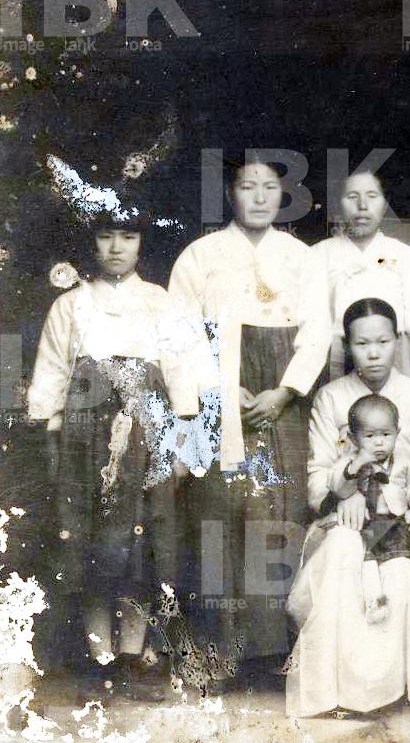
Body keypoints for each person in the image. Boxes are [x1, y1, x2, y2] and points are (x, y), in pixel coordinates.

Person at [28, 210, 204, 701]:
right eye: (105, 237)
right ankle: (99, 660)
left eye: (127, 237)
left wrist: (182, 441)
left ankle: (132, 658)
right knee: (93, 546)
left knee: (139, 551)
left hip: (147, 439)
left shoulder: (161, 302)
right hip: (85, 443)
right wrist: (53, 436)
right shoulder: (71, 305)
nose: (116, 248)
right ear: (92, 243)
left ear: (141, 243)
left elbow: (181, 372)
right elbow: (52, 371)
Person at [168, 157, 331, 673]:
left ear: (283, 196)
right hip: (220, 396)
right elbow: (180, 332)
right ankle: (220, 652)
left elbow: (318, 332)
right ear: (229, 193)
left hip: (282, 397)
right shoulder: (200, 255)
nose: (259, 197)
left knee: (277, 514)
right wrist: (215, 389)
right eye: (247, 186)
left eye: (269, 188)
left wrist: (285, 391)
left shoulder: (301, 257)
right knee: (220, 515)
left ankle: (271, 654)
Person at [285, 298, 410, 717]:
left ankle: (397, 689)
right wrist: (348, 490)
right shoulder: (331, 398)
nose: (373, 353)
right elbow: (316, 477)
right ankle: (335, 692)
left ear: (398, 341)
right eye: (362, 343)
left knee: (403, 573)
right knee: (343, 553)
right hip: (343, 518)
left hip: (402, 523)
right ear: (347, 346)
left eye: (383, 342)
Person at [310, 170, 410, 382]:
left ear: (385, 204)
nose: (362, 205)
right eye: (352, 196)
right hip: (333, 368)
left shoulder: (406, 257)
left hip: (396, 369)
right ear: (338, 204)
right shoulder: (318, 255)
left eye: (372, 196)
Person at [340, 394, 410, 620]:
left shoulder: (402, 462)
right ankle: (374, 601)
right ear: (354, 438)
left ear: (397, 433)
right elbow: (336, 485)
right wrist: (354, 467)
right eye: (370, 436)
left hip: (396, 518)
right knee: (366, 557)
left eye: (386, 435)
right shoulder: (352, 463)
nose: (379, 442)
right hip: (370, 521)